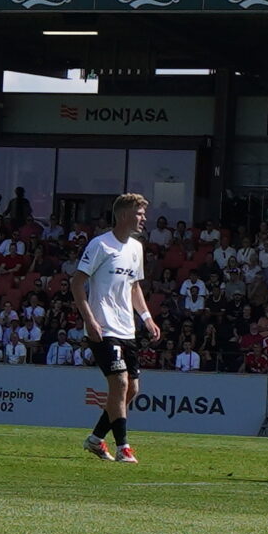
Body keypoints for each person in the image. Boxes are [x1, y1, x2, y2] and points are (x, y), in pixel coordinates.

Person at [74, 193, 162, 464]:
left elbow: (134, 286)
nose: (144, 218)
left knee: (132, 390)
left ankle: (96, 439)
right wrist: (89, 320)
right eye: (139, 213)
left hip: (127, 328)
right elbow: (77, 283)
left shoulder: (136, 248)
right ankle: (124, 446)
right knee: (120, 382)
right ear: (124, 215)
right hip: (103, 327)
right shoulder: (100, 245)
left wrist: (146, 317)